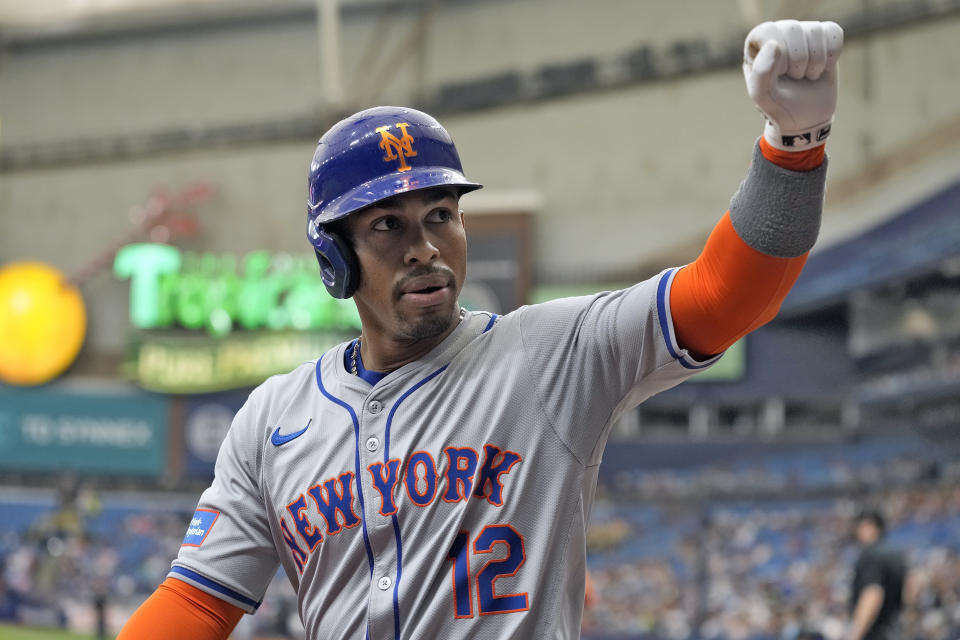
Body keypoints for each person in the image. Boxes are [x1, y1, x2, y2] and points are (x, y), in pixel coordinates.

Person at [119, 19, 844, 640]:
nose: (424, 246)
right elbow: (194, 602)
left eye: (441, 215)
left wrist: (793, 144)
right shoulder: (273, 419)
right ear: (334, 259)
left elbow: (722, 298)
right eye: (386, 227)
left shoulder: (548, 356)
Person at [846, 508, 907, 640]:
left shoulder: (872, 555)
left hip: (876, 633)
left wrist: (855, 635)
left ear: (870, 527)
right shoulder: (894, 555)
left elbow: (872, 593)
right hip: (894, 630)